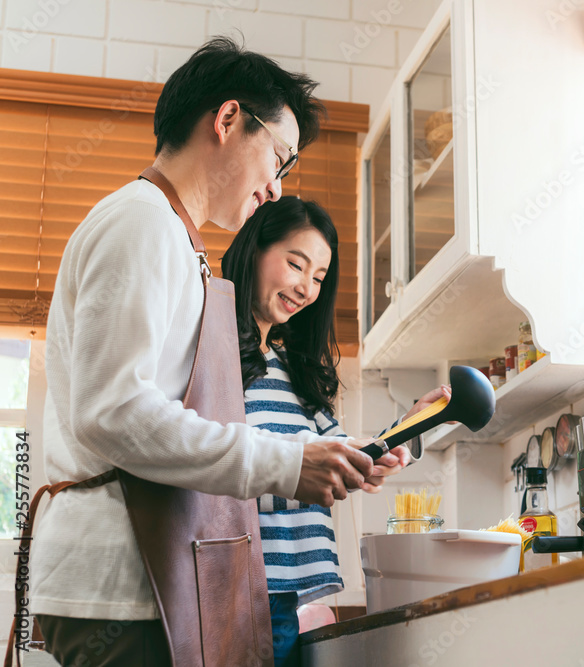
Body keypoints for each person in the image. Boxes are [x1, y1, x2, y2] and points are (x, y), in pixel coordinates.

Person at [30, 37, 404, 665]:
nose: (277, 188)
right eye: (278, 158)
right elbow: (114, 413)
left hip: (152, 580)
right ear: (228, 119)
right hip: (123, 591)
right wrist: (286, 464)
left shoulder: (172, 236)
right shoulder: (141, 223)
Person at [222, 198, 449, 665]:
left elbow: (340, 450)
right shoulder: (212, 355)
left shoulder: (293, 369)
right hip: (227, 589)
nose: (306, 288)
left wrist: (409, 425)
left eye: (319, 278)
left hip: (284, 597)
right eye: (295, 264)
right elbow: (207, 460)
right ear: (254, 250)